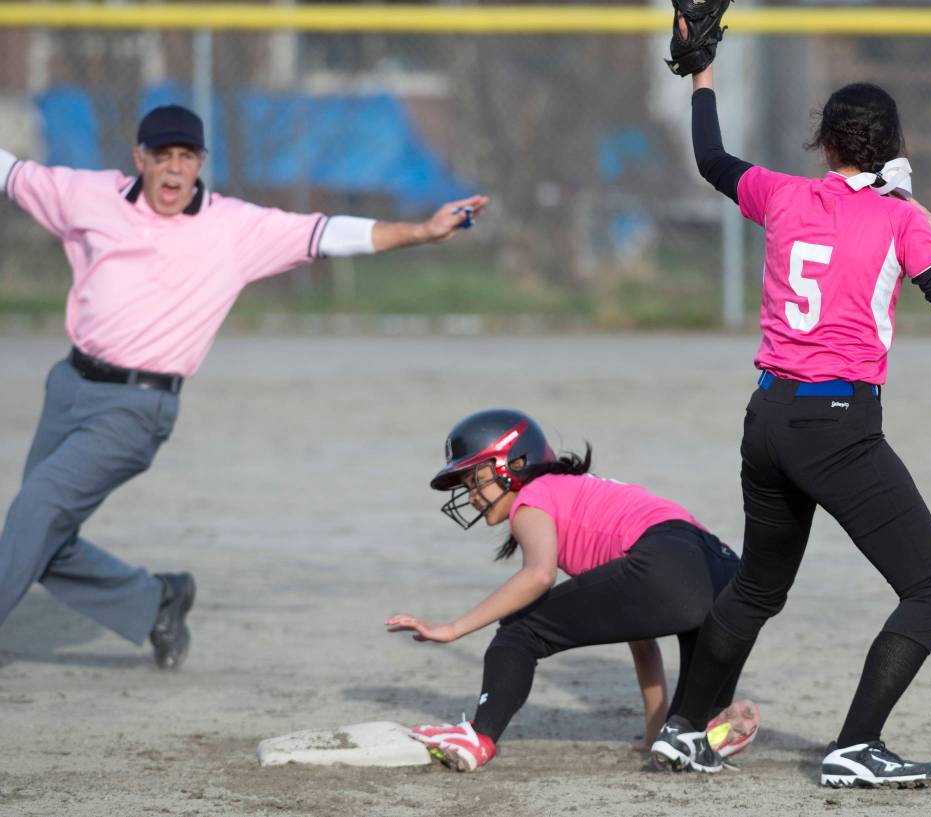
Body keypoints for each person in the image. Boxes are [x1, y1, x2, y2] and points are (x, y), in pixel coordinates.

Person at [0, 103, 488, 669]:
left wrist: (421, 232)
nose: (175, 169)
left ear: (201, 162)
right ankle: (156, 599)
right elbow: (11, 172)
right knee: (39, 535)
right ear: (140, 159)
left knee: (36, 510)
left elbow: (326, 233)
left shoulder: (232, 228)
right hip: (68, 386)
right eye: (163, 156)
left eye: (187, 156)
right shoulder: (88, 195)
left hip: (136, 409)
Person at [655, 47, 931, 788]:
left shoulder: (781, 194)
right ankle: (856, 744)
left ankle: (682, 728)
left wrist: (702, 75)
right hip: (837, 427)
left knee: (755, 588)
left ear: (826, 145)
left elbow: (711, 158)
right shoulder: (899, 218)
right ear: (894, 147)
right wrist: (917, 208)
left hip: (768, 417)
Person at [385, 408, 760, 771]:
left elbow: (538, 576)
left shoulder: (532, 499)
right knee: (683, 730)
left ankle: (478, 738)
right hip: (722, 569)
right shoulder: (579, 493)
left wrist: (453, 629)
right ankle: (702, 732)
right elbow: (642, 638)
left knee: (518, 631)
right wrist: (652, 734)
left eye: (474, 480)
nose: (471, 496)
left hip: (667, 560)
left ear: (512, 464)